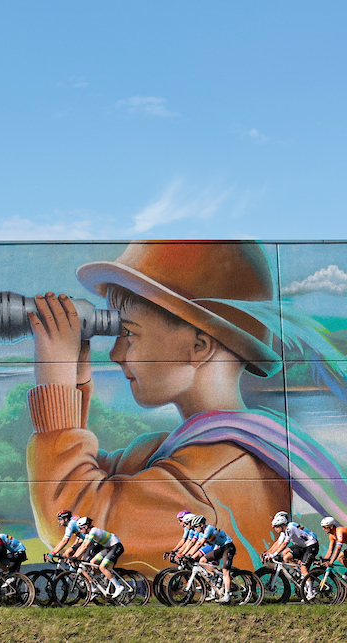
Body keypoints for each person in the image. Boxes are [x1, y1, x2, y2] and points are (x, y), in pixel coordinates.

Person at [25, 242, 347, 570]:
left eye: (128, 333)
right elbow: (88, 477)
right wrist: (73, 385)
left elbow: (78, 521)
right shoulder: (189, 452)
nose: (114, 353)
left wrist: (55, 381)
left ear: (198, 346)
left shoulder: (208, 479)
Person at [262, 511, 319, 599]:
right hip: (302, 546)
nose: (275, 529)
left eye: (276, 526)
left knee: (304, 568)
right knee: (285, 555)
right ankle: (298, 572)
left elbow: (284, 544)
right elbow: (278, 543)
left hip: (311, 545)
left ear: (282, 525)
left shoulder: (290, 528)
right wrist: (269, 552)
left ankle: (310, 592)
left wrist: (274, 555)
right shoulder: (284, 531)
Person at [184, 515, 235, 603]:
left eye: (196, 526)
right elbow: (196, 545)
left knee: (226, 571)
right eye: (193, 527)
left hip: (228, 546)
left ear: (202, 525)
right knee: (202, 561)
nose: (195, 529)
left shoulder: (208, 529)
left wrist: (190, 556)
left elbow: (200, 544)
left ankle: (227, 596)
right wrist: (189, 555)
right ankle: (217, 576)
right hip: (221, 547)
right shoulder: (201, 532)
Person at [71, 517, 125, 599]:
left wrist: (76, 557)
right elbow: (82, 546)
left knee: (102, 567)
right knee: (93, 562)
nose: (80, 530)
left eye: (81, 528)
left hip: (116, 546)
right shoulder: (88, 534)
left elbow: (85, 546)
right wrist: (74, 556)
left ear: (86, 527)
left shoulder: (93, 531)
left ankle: (118, 587)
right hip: (108, 547)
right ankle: (102, 582)